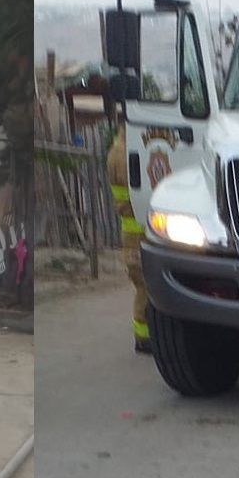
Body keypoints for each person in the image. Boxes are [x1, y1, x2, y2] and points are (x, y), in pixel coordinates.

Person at [106, 119, 150, 354]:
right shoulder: (123, 154)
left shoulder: (117, 149)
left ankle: (144, 335)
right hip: (136, 235)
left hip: (132, 233)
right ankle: (144, 338)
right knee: (145, 285)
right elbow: (137, 189)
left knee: (143, 284)